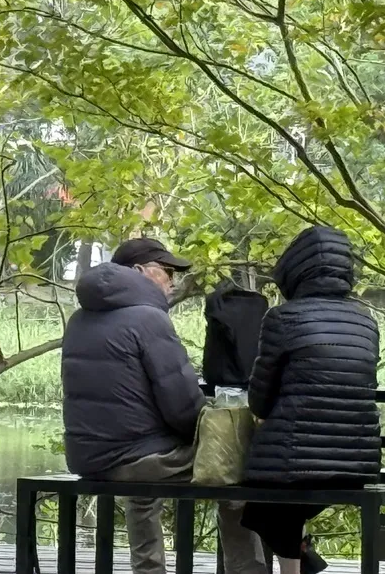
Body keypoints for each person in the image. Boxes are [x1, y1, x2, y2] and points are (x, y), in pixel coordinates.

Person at [61, 237, 269, 574]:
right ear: (139, 270)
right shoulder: (148, 319)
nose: (173, 282)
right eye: (167, 272)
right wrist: (208, 432)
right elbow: (183, 408)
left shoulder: (79, 320)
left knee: (143, 487)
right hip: (140, 460)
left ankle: (149, 570)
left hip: (91, 458)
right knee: (233, 467)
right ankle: (247, 572)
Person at [241, 225, 382, 574]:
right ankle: (303, 560)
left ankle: (300, 563)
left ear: (294, 270)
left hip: (294, 464)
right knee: (279, 505)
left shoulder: (283, 318)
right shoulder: (366, 321)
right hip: (356, 463)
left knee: (263, 504)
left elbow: (259, 400)